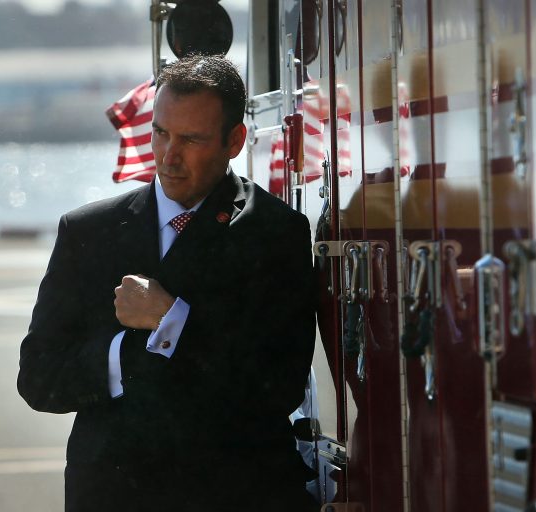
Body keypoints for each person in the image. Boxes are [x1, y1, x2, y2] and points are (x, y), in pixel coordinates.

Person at [17, 54, 317, 511]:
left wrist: (170, 318)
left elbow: (277, 389)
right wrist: (124, 356)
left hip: (234, 495)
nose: (167, 156)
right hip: (113, 495)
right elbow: (38, 379)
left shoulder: (276, 234)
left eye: (191, 139)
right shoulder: (87, 231)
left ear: (234, 141)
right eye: (160, 133)